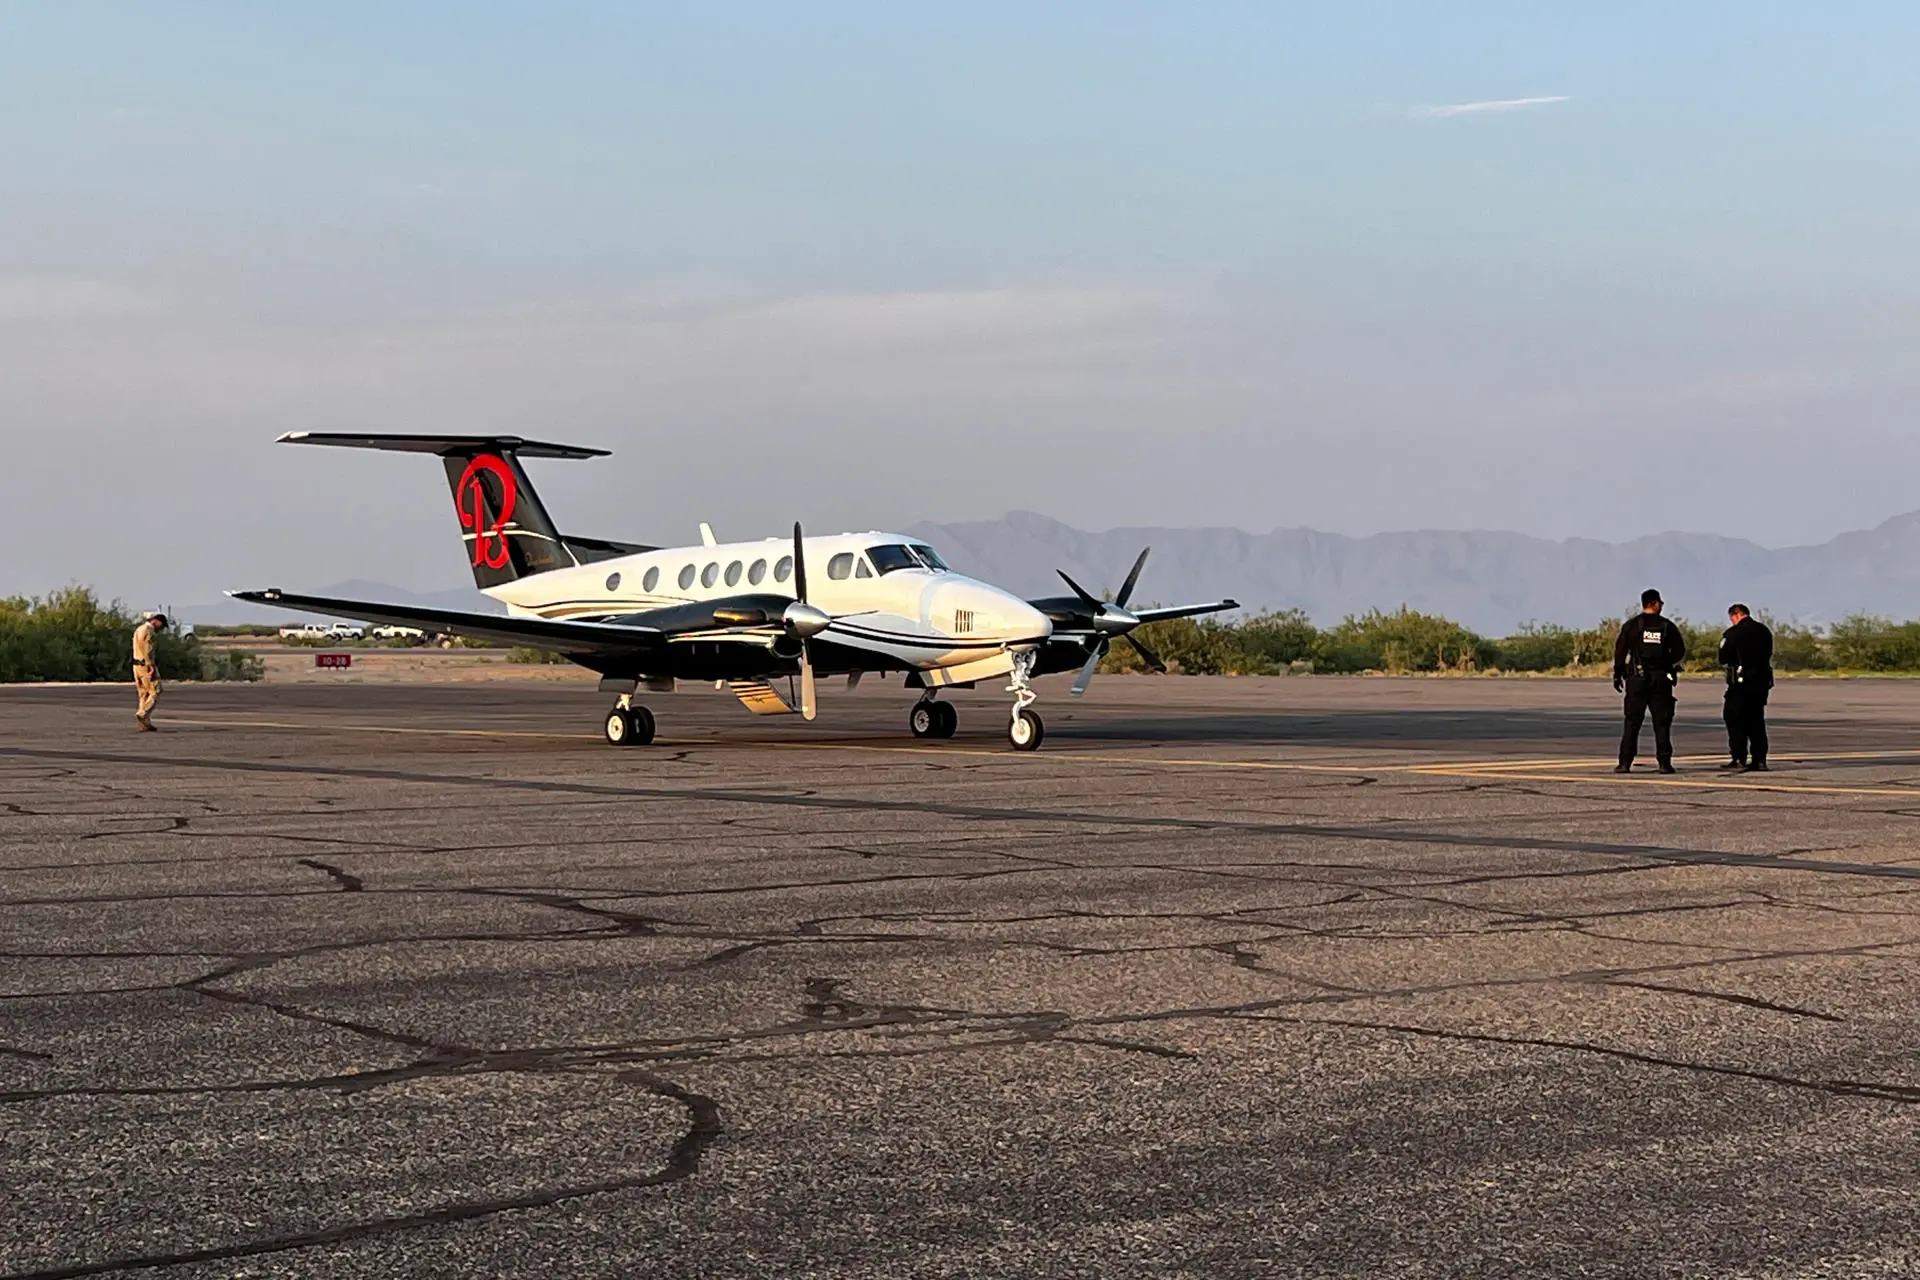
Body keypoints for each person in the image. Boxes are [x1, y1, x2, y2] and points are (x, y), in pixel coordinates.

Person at [1613, 588, 1687, 773]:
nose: (1661, 605)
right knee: (1661, 722)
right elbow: (1679, 651)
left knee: (1632, 722)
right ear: (1654, 603)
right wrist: (1667, 663)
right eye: (1660, 602)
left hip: (1636, 679)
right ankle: (1664, 763)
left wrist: (1618, 673)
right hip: (1660, 679)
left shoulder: (1631, 626)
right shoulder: (1667, 626)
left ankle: (1624, 763)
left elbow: (1620, 652)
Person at [1718, 603, 1774, 772]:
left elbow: (1723, 657)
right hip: (1760, 683)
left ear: (1735, 615)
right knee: (1756, 721)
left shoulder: (1733, 633)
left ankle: (1738, 757)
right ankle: (1760, 759)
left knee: (1735, 719)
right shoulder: (1764, 631)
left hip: (1741, 684)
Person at [131, 612, 167, 731]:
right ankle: (144, 713)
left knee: (143, 693)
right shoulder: (148, 631)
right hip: (145, 665)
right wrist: (151, 667)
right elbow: (148, 650)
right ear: (156, 621)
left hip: (136, 665)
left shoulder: (139, 629)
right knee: (155, 690)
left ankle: (145, 724)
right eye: (161, 625)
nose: (161, 628)